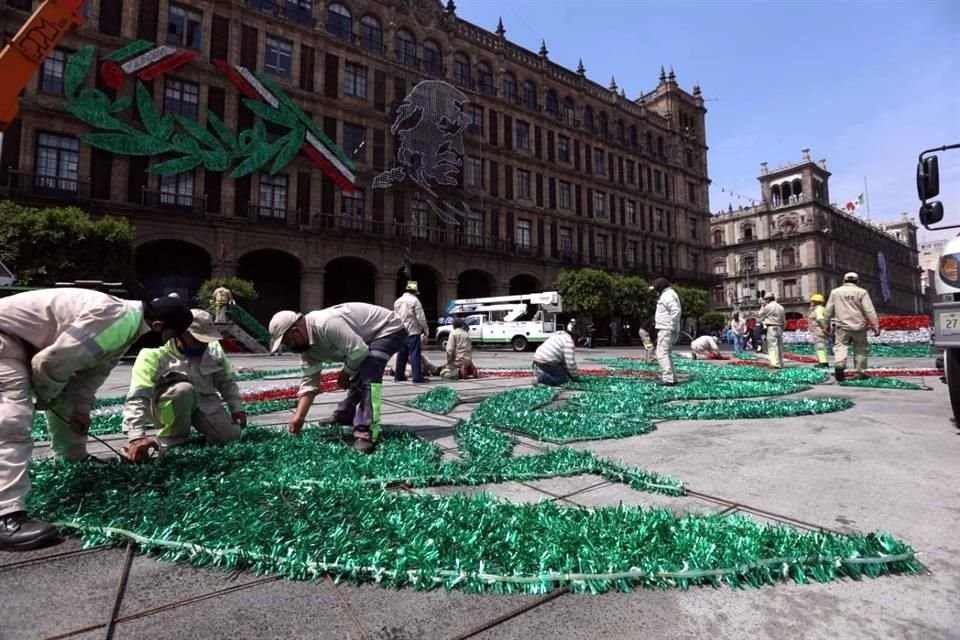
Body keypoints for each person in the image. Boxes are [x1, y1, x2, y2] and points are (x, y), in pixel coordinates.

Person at [0, 289, 192, 551]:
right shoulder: (117, 319)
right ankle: (6, 515)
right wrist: (44, 395)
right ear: (158, 326)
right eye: (169, 336)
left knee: (63, 397)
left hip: (21, 343)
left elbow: (88, 377)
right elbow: (52, 362)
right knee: (11, 420)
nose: (165, 343)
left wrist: (79, 410)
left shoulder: (127, 328)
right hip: (6, 339)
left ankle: (72, 458)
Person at [269, 303, 407, 454]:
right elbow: (310, 383)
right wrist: (299, 417)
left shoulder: (325, 323)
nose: (290, 346)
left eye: (288, 341)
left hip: (388, 329)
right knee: (361, 372)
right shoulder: (307, 350)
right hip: (364, 339)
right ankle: (345, 414)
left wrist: (346, 373)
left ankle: (367, 433)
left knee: (370, 376)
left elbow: (358, 351)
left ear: (296, 331)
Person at [121, 310, 246, 462]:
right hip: (165, 406)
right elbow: (138, 396)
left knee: (229, 437)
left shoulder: (213, 349)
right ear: (181, 332)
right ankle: (172, 442)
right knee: (183, 390)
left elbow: (226, 381)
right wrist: (136, 436)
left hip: (204, 402)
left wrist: (236, 406)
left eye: (206, 339)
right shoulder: (153, 352)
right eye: (197, 339)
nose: (203, 344)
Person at [825, 272, 879, 381]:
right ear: (857, 281)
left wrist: (826, 324)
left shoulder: (835, 292)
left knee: (840, 346)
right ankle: (860, 372)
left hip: (841, 326)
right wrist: (875, 325)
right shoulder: (862, 292)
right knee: (860, 349)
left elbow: (828, 310)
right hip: (859, 326)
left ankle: (839, 364)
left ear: (844, 281)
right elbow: (869, 310)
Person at [393, 281, 430, 383]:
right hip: (413, 331)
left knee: (401, 354)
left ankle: (399, 375)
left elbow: (395, 317)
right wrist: (426, 330)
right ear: (415, 291)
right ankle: (417, 377)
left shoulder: (397, 301)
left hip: (400, 331)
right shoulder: (415, 301)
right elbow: (420, 318)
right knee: (414, 354)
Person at [653, 278, 682, 386]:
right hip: (668, 328)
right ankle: (672, 377)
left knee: (661, 353)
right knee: (667, 354)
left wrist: (671, 325)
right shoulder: (670, 294)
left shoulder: (667, 295)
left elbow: (675, 310)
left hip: (666, 329)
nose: (656, 292)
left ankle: (668, 378)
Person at [758, 293, 786, 369]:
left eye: (765, 300)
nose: (765, 301)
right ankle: (780, 362)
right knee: (779, 346)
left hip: (771, 327)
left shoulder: (768, 306)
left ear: (768, 299)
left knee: (772, 346)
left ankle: (775, 363)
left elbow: (760, 315)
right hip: (779, 327)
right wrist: (783, 328)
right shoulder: (781, 307)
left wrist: (762, 306)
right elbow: (784, 320)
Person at [808, 294, 830, 368]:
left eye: (812, 301)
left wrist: (824, 329)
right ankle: (822, 361)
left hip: (818, 331)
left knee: (820, 347)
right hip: (817, 331)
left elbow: (820, 319)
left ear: (816, 301)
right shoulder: (818, 309)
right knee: (819, 347)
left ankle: (823, 362)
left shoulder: (819, 309)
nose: (811, 302)